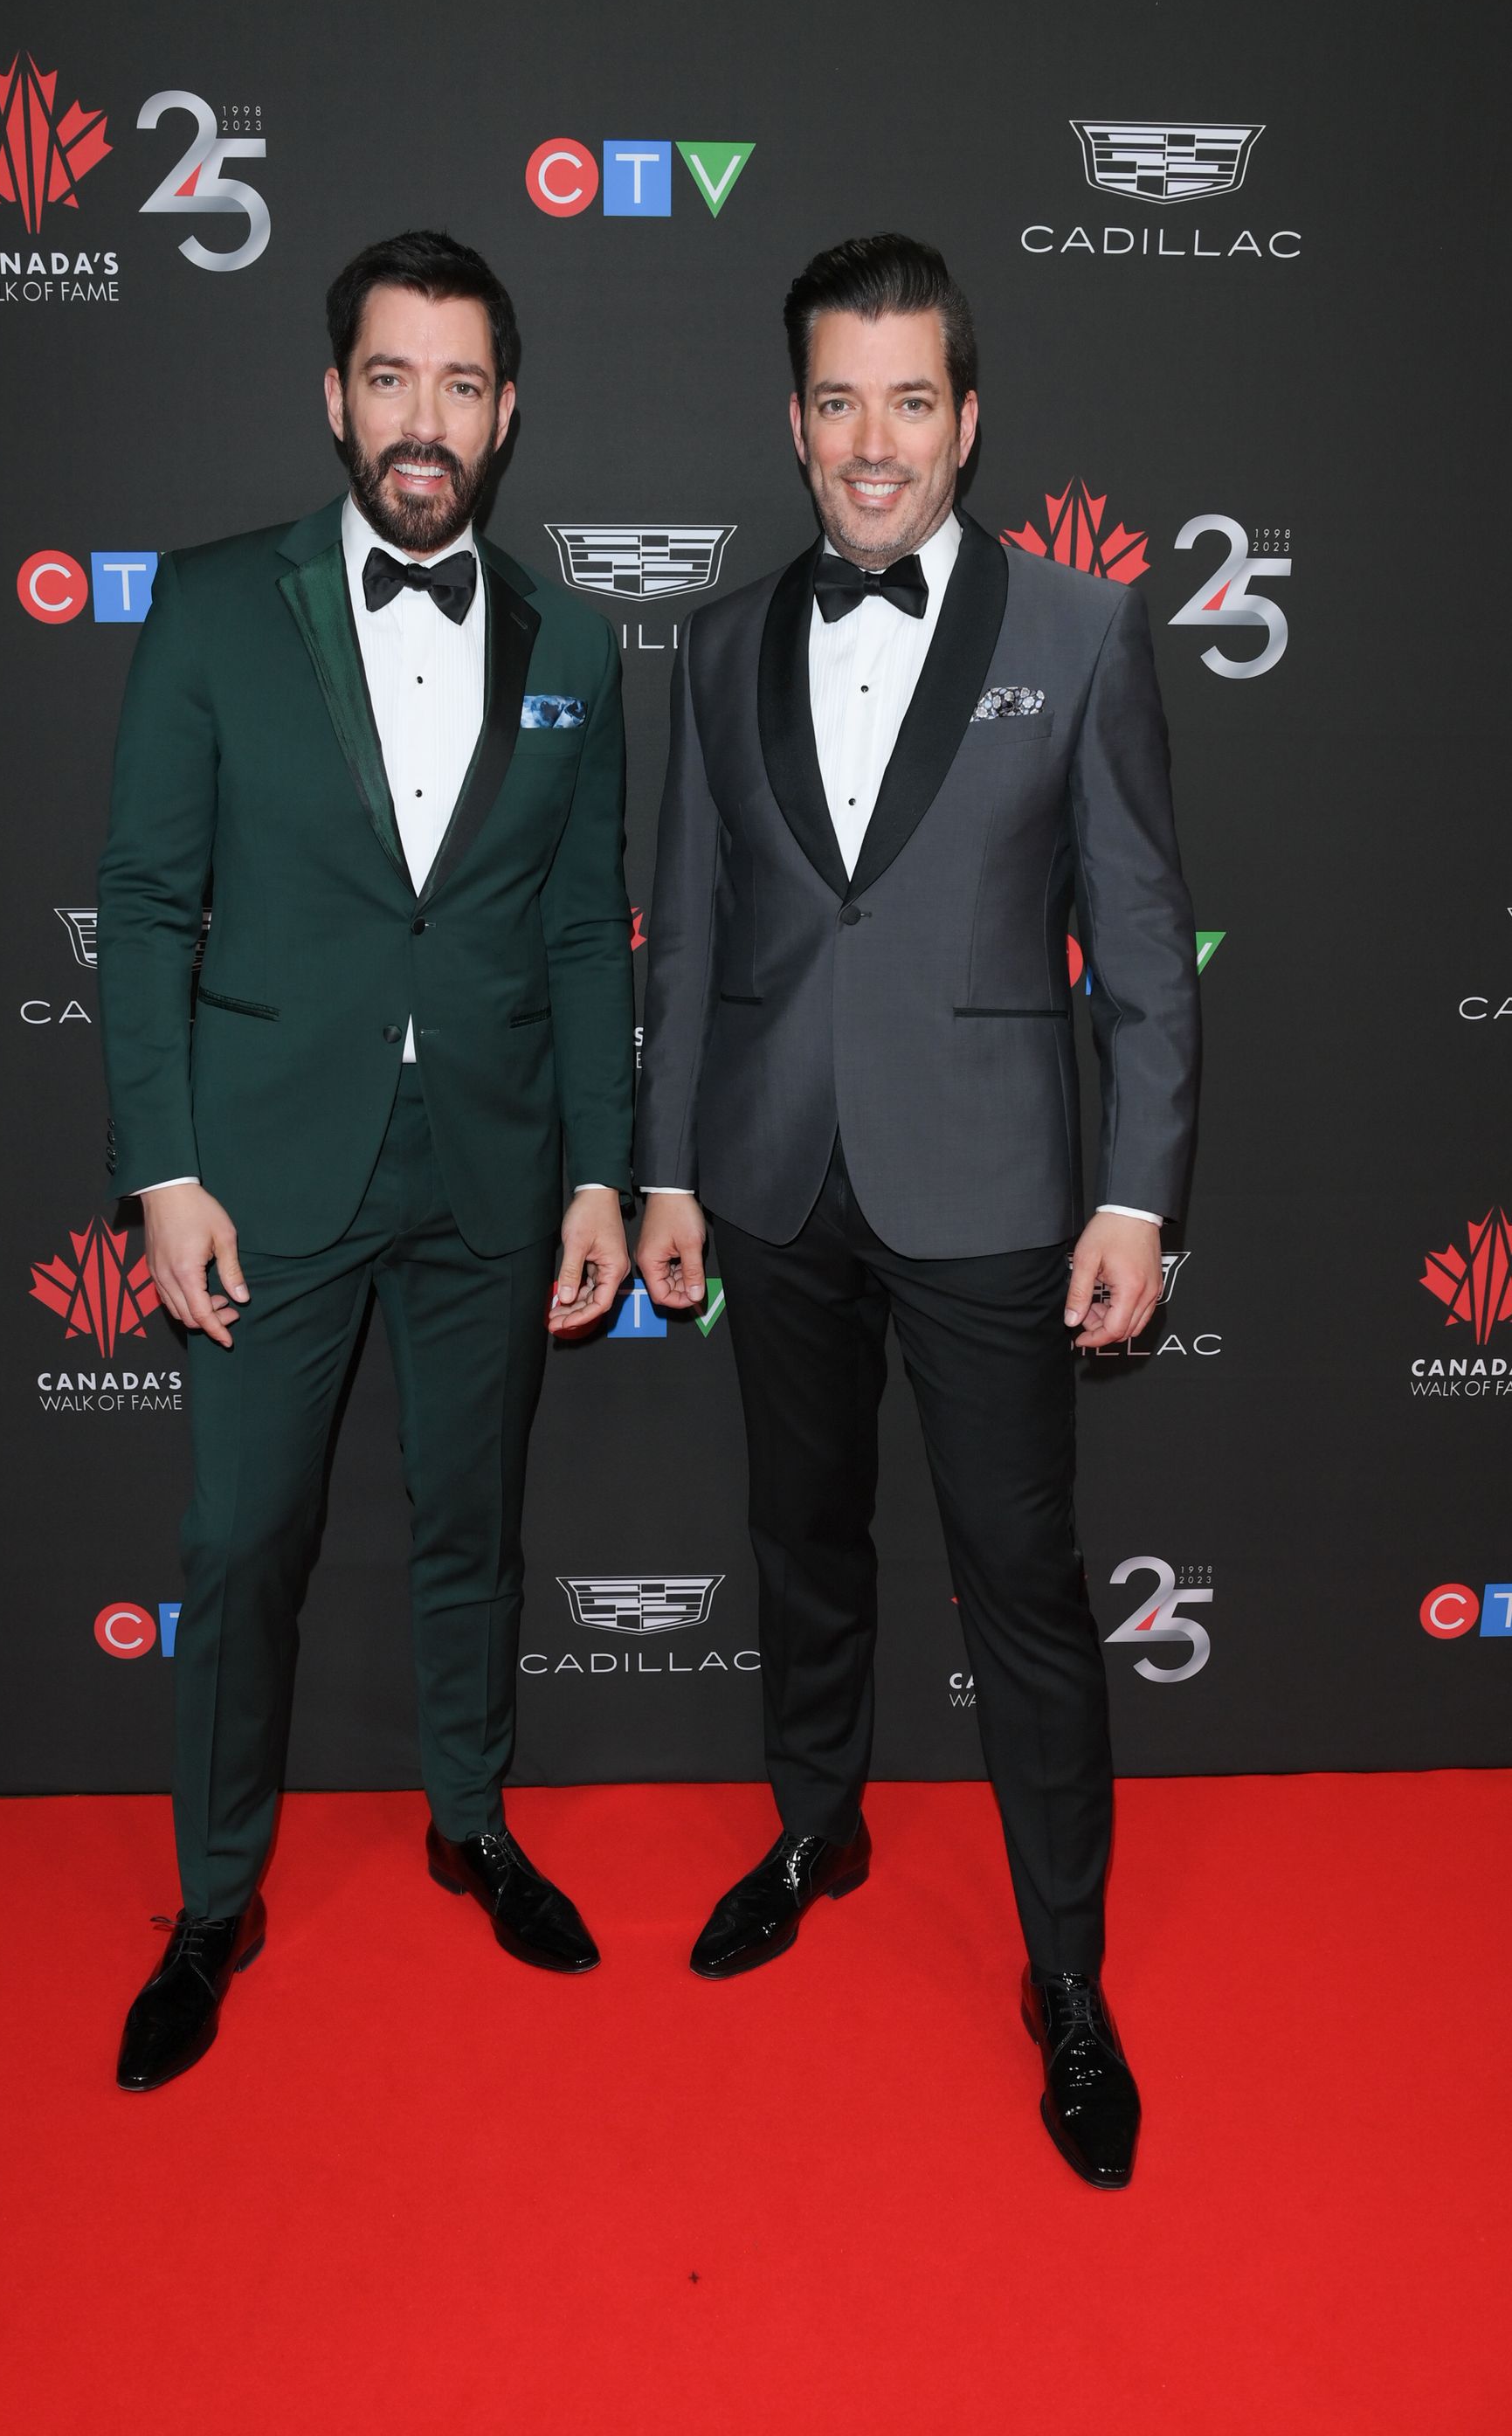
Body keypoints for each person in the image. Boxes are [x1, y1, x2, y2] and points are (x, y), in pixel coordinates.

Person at [633, 233, 1200, 2187]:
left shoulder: (1085, 622)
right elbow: (691, 930)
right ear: (795, 424)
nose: (873, 445)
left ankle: (1065, 1979)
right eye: (837, 402)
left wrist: (1137, 1192)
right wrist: (668, 1168)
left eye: (911, 401)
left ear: (968, 418)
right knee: (802, 1535)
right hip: (776, 1179)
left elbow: (1140, 937)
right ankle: (817, 1823)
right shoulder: (712, 643)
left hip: (988, 1192)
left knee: (1025, 1588)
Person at [98, 230, 635, 2092]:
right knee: (243, 1542)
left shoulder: (573, 638)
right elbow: (152, 903)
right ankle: (216, 1897)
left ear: (508, 415)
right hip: (262, 1171)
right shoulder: (214, 605)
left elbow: (584, 934)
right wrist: (162, 1168)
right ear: (336, 399)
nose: (426, 419)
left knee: (472, 1528)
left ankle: (470, 1823)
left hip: (492, 1165)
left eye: (462, 384)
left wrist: (597, 1171)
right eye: (391, 378)